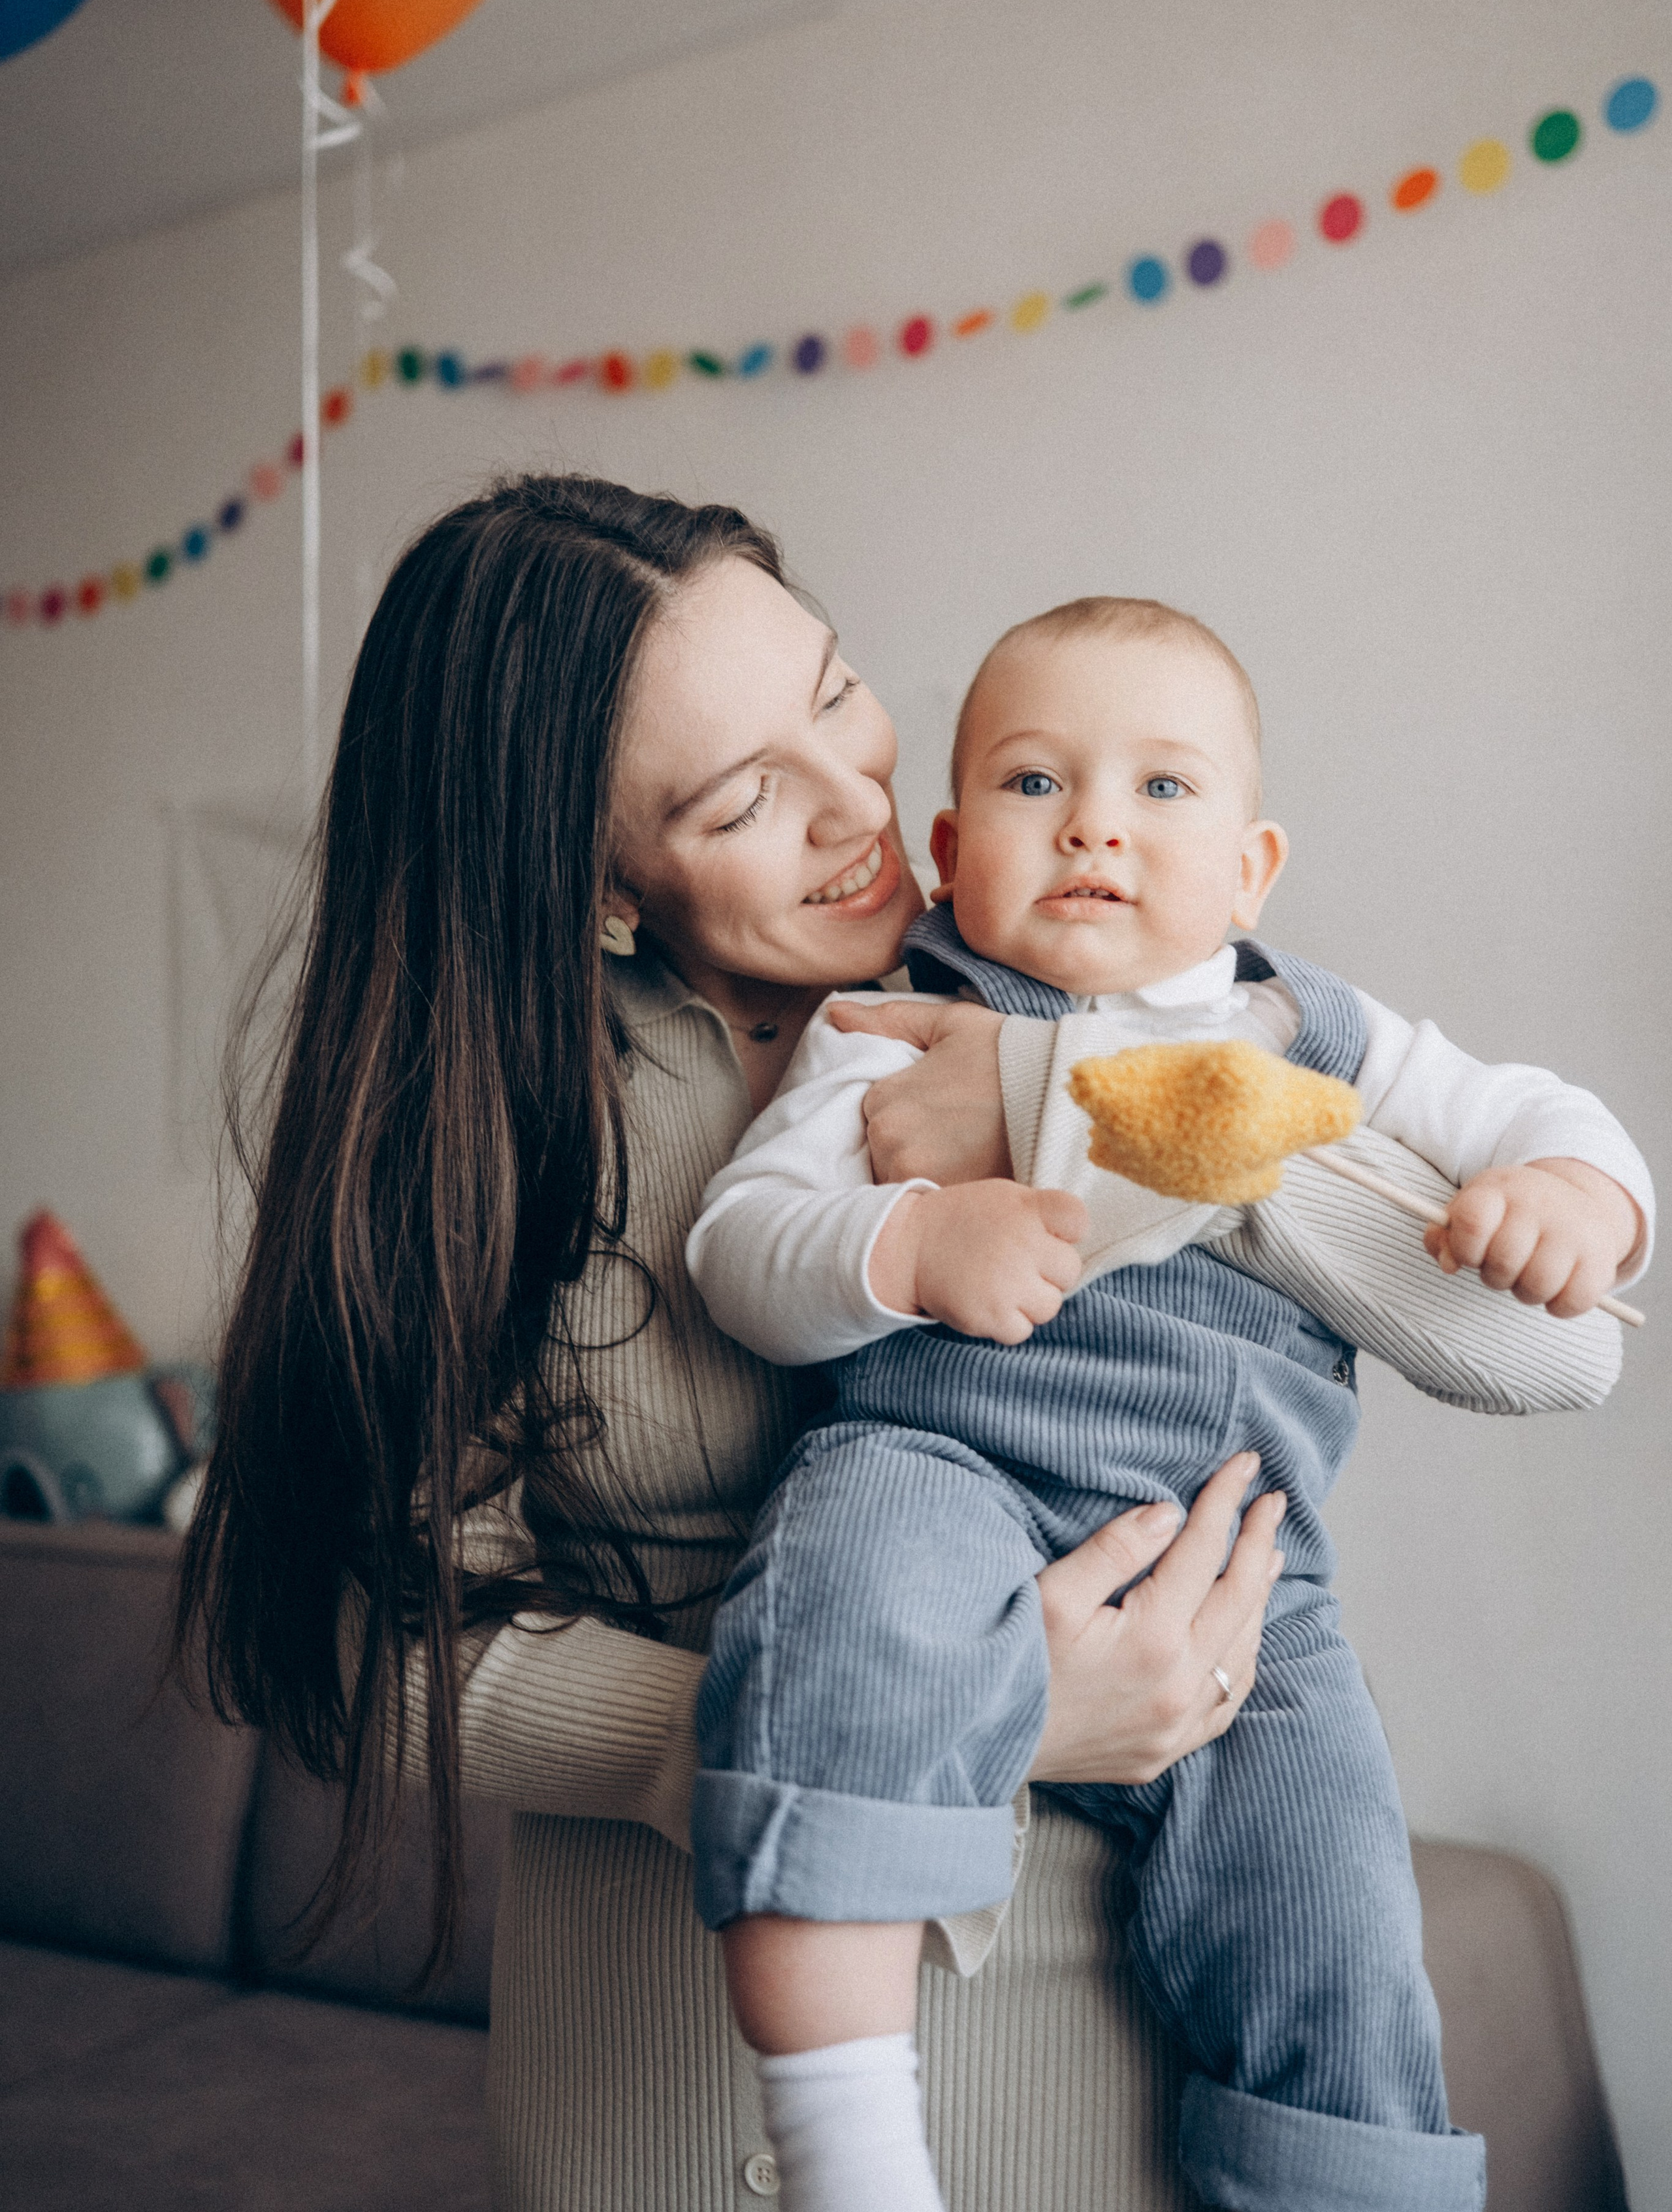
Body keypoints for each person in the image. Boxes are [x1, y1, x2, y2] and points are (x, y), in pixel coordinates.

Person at [171, 481, 1600, 2212]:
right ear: (600, 882)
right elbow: (356, 1646)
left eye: (836, 694)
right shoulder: (504, 1136)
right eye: (744, 798)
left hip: (1093, 2050)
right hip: (678, 2092)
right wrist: (957, 1712)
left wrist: (1060, 1099)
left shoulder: (1127, 1002)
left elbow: (1554, 1355)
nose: (858, 808)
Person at [683, 596, 1652, 2212]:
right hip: (945, 1467)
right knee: (841, 1620)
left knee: (1331, 1904)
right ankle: (847, 2144)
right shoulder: (888, 1028)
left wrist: (1575, 1197)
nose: (1093, 829)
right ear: (948, 849)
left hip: (1244, 1562)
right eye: (1033, 783)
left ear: (1251, 870)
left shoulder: (1316, 1032)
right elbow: (740, 1249)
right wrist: (905, 1243)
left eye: (1160, 788)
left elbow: (1537, 1117)